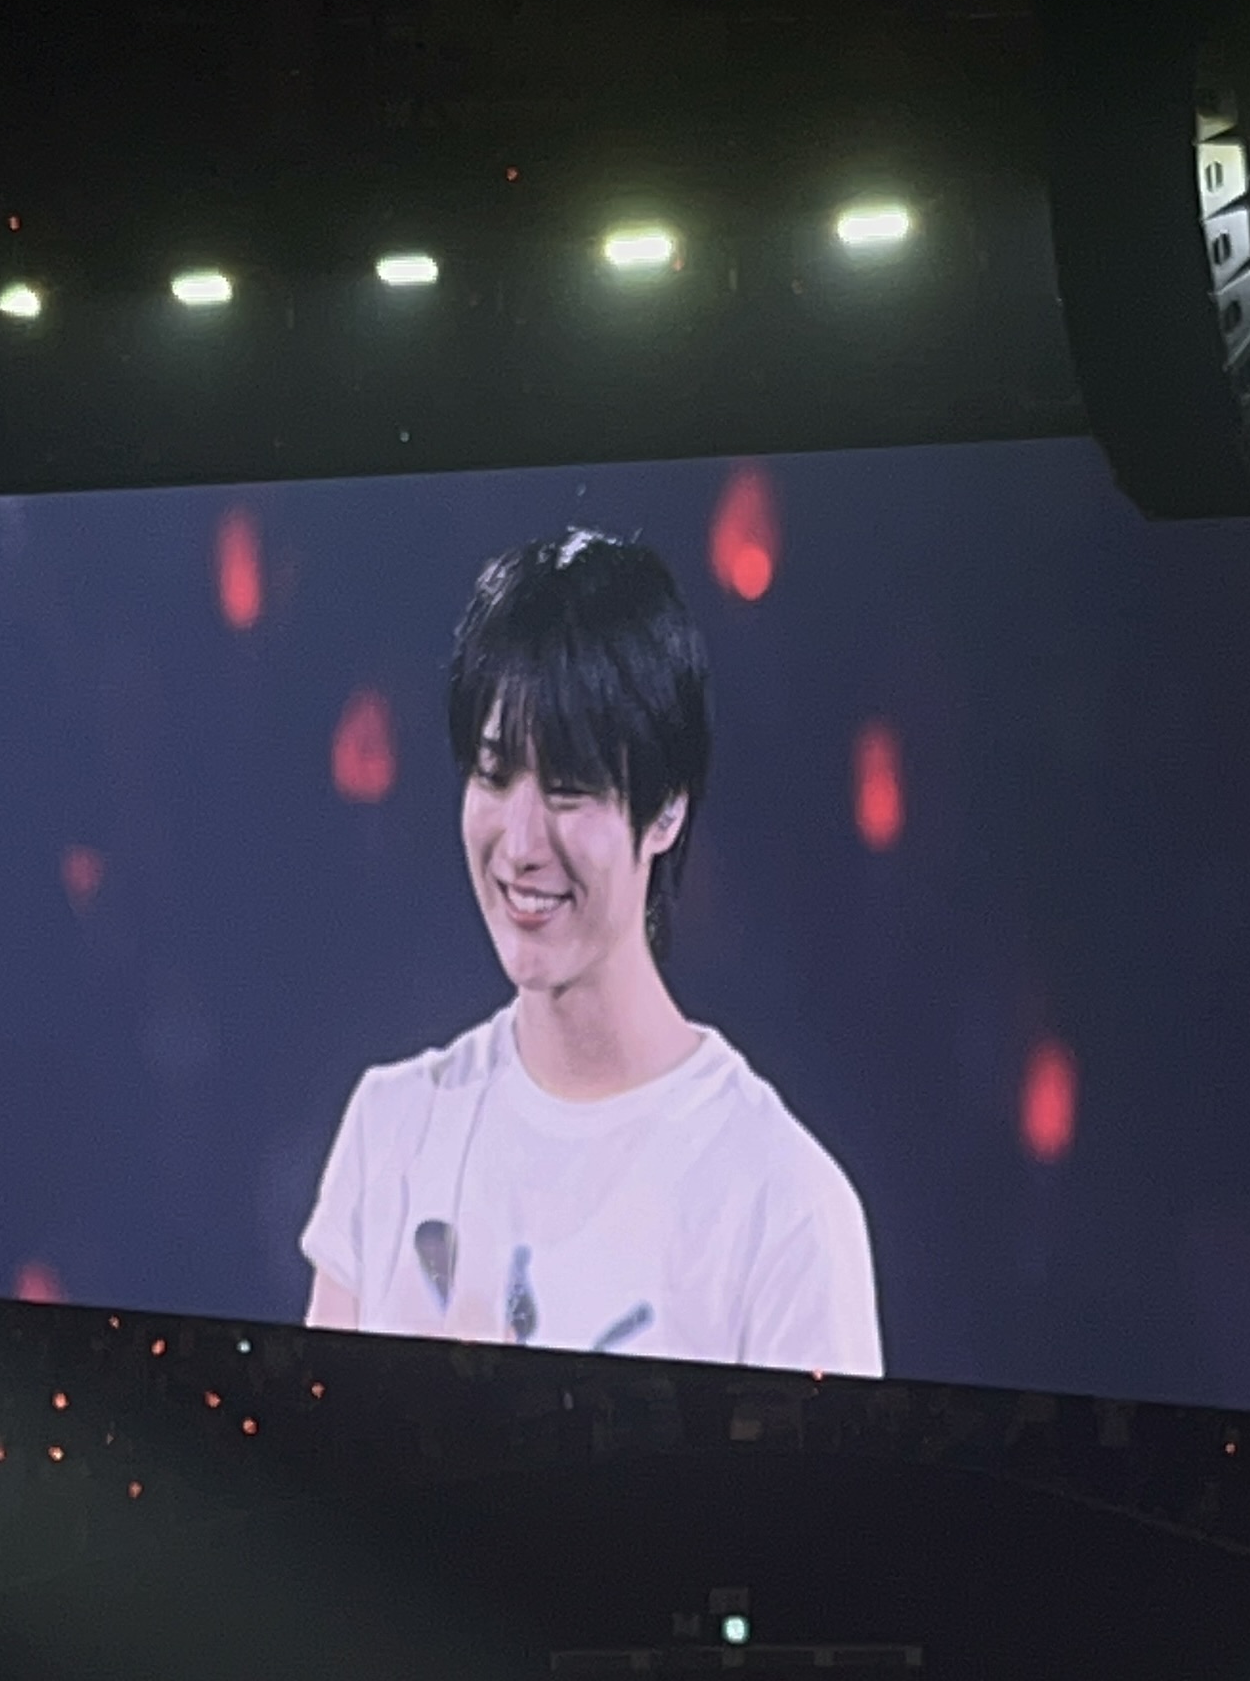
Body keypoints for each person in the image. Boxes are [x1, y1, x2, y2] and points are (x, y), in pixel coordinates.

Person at [302, 529, 883, 1376]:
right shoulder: (393, 1132)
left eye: (570, 789)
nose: (520, 845)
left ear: (666, 810)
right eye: (494, 776)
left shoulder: (781, 1206)